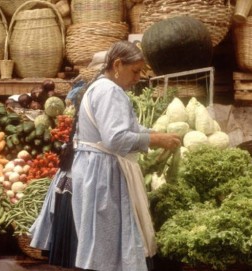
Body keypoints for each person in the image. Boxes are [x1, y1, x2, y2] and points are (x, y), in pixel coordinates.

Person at [70, 40, 181, 271]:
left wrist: (153, 133)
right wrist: (155, 139)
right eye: (135, 71)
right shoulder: (110, 91)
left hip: (92, 169)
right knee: (108, 243)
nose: (139, 77)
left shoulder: (100, 86)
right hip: (102, 173)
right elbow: (116, 139)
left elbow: (124, 128)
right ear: (118, 65)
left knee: (100, 241)